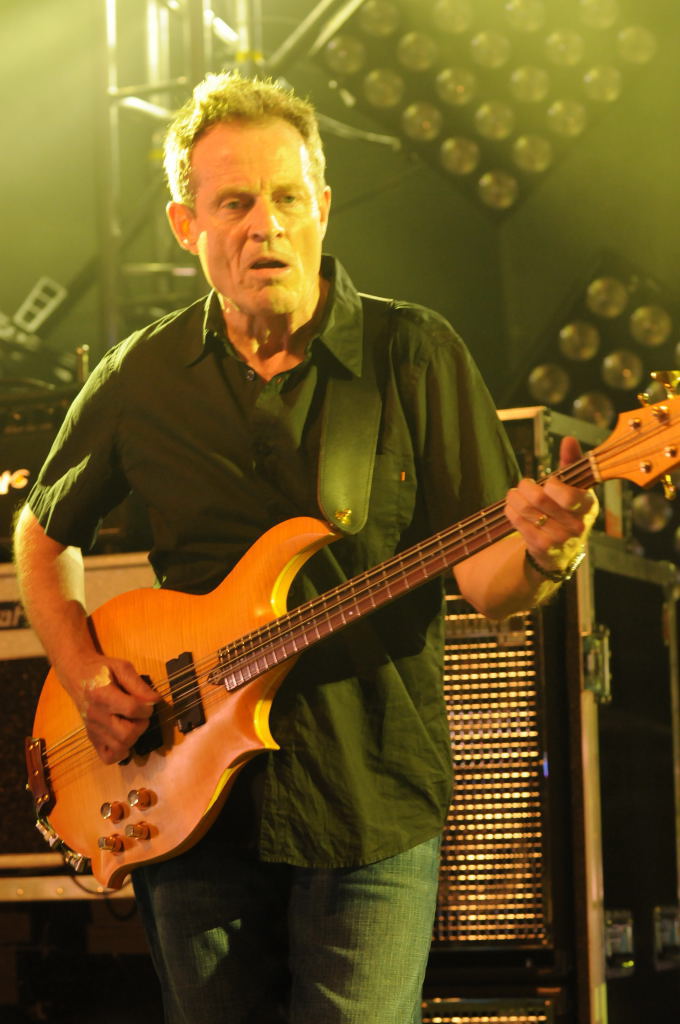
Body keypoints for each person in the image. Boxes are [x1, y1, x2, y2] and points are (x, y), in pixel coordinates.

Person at [13, 72, 596, 1023]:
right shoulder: (141, 375)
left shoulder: (413, 354)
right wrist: (83, 676)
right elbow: (40, 537)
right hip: (182, 808)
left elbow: (491, 585)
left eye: (287, 198)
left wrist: (546, 551)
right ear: (186, 225)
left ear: (322, 206)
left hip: (366, 804)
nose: (266, 227)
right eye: (235, 204)